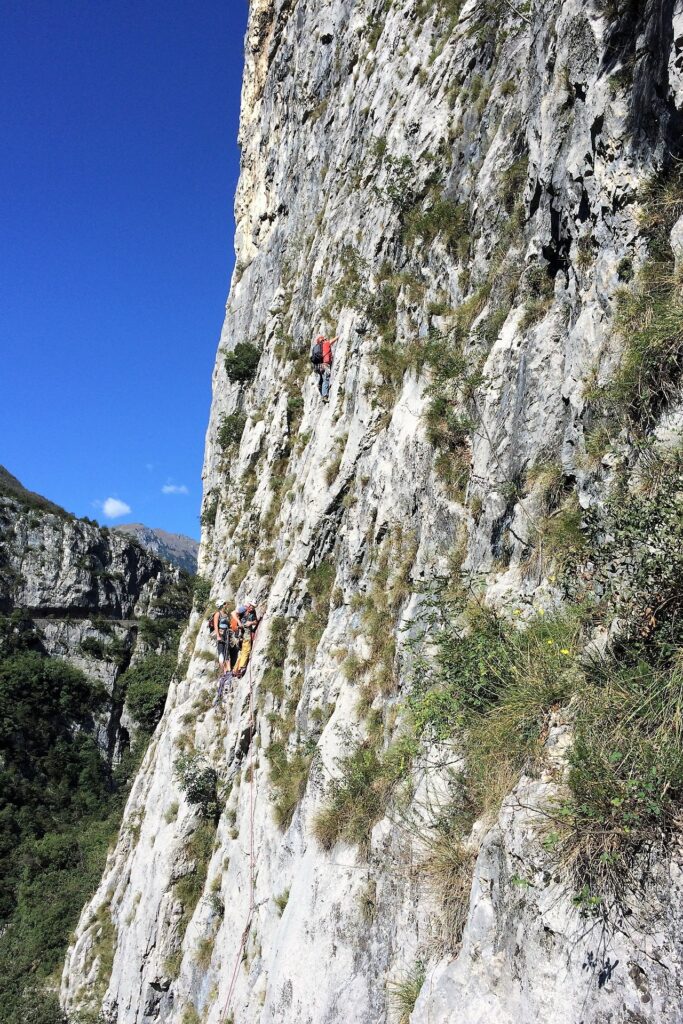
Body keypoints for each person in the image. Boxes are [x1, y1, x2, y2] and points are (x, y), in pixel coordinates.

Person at [233, 602, 260, 678]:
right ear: (249, 605)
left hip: (246, 631)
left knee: (243, 651)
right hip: (242, 632)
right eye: (251, 606)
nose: (252, 608)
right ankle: (241, 667)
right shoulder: (243, 609)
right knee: (247, 649)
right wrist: (239, 622)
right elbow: (233, 613)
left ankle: (235, 669)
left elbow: (255, 621)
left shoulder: (253, 612)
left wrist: (250, 623)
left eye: (254, 607)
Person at [311, 333, 339, 403]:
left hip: (318, 366)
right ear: (323, 340)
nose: (326, 339)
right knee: (326, 379)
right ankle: (325, 396)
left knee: (322, 377)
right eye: (325, 339)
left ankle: (320, 385)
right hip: (325, 365)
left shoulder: (317, 347)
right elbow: (333, 340)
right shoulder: (326, 343)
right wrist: (338, 336)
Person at [212, 602, 231, 678]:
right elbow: (215, 625)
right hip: (221, 633)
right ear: (221, 605)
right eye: (224, 604)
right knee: (221, 652)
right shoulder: (217, 614)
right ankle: (223, 670)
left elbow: (228, 624)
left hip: (226, 633)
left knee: (227, 651)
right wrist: (218, 636)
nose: (226, 605)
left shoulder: (226, 614)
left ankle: (228, 670)